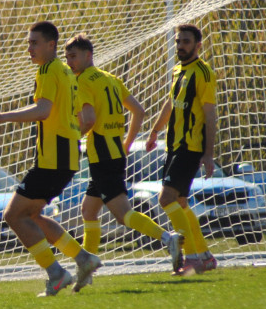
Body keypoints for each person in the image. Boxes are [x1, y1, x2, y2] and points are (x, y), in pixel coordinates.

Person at [0, 21, 102, 296]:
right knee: (33, 215)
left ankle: (56, 273)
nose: (29, 48)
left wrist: (1, 118)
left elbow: (43, 110)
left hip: (53, 159)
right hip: (67, 156)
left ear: (51, 45)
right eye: (28, 42)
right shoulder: (67, 72)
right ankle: (84, 259)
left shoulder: (48, 70)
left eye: (34, 42)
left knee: (13, 215)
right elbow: (81, 118)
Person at [64, 33, 184, 280]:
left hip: (102, 156)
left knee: (123, 214)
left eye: (73, 57)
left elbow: (88, 121)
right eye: (67, 58)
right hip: (114, 152)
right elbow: (138, 111)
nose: (69, 63)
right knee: (88, 210)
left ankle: (167, 239)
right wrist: (126, 144)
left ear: (88, 56)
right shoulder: (111, 79)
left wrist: (69, 138)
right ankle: (86, 268)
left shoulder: (83, 81)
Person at [145, 23, 218, 275]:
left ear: (198, 45)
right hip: (173, 146)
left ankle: (193, 255)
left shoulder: (203, 72)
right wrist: (155, 131)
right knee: (181, 204)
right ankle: (205, 257)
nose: (180, 46)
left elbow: (210, 115)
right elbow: (171, 103)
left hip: (190, 147)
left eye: (185, 41)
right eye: (178, 41)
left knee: (165, 199)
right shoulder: (178, 70)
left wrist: (208, 154)